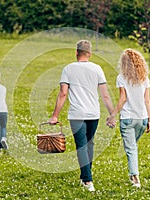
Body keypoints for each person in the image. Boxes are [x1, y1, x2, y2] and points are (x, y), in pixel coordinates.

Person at [49, 40, 114, 192]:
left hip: (77, 114)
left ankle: (87, 180)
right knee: (89, 144)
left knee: (82, 146)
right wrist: (112, 114)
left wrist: (55, 116)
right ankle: (86, 175)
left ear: (76, 53)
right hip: (94, 113)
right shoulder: (97, 68)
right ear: (90, 54)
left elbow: (63, 93)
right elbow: (105, 95)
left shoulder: (68, 69)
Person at [106, 48, 150, 188]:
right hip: (142, 118)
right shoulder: (145, 78)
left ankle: (135, 177)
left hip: (127, 119)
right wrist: (149, 120)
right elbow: (147, 100)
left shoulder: (121, 78)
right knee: (133, 146)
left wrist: (112, 116)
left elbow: (122, 99)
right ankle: (134, 173)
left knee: (131, 148)